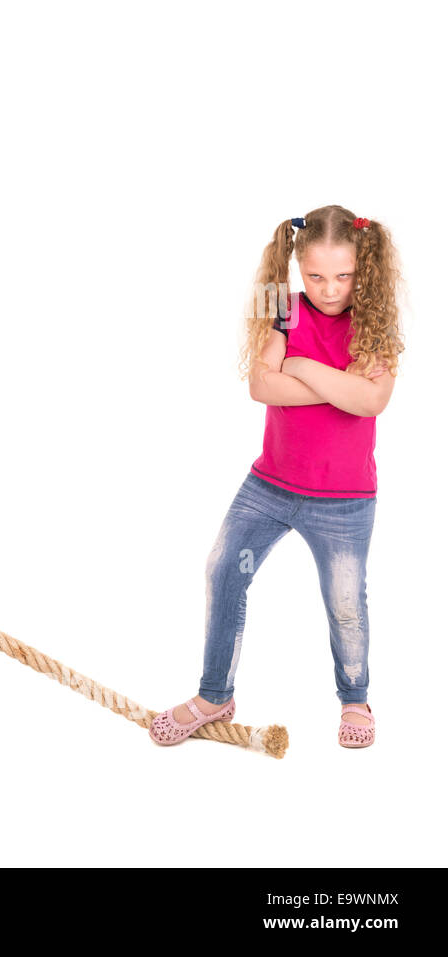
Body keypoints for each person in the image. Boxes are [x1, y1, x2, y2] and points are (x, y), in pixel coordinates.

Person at [150, 206, 402, 749]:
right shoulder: (279, 304)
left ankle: (355, 697)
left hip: (344, 499)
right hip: (270, 487)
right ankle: (215, 692)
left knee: (345, 600)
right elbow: (262, 387)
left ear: (364, 269)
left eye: (344, 276)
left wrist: (304, 367)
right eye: (314, 276)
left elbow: (373, 399)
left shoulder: (376, 315)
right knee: (224, 569)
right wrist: (342, 388)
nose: (329, 290)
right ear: (296, 267)